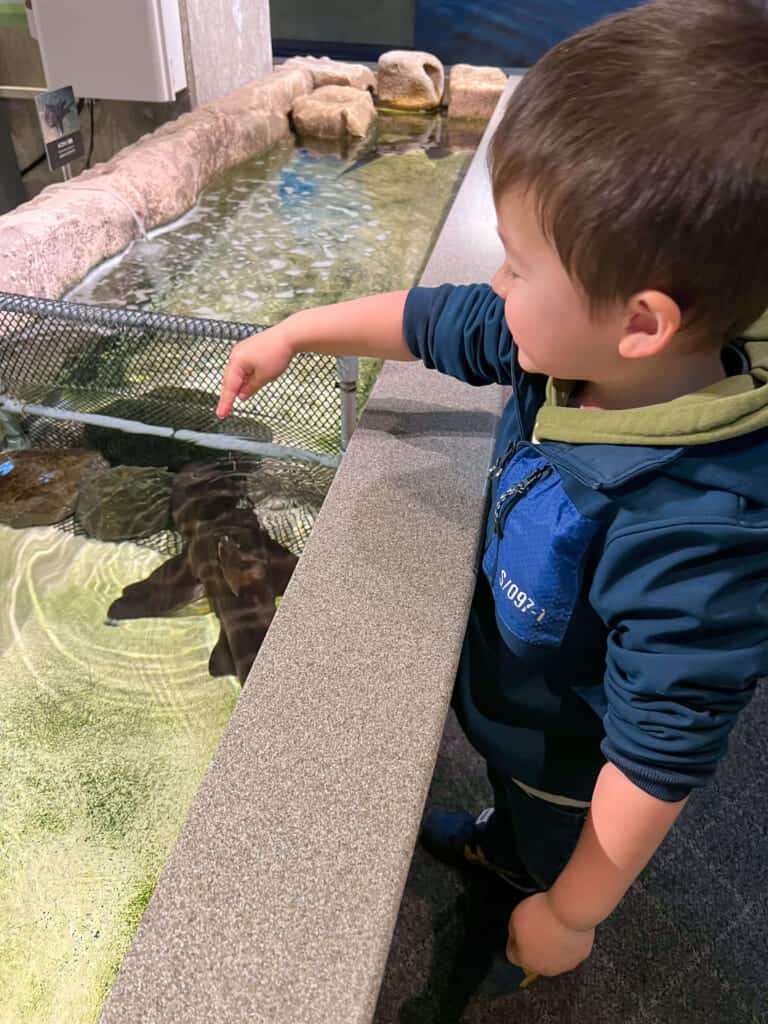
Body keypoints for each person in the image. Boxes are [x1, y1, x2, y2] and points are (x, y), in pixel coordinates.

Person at [217, 0, 768, 983]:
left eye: (519, 264)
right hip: (516, 700)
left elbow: (658, 756)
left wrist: (573, 911)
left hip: (569, 760)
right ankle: (506, 836)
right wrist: (297, 330)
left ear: (641, 322)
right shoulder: (569, 349)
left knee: (544, 842)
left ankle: (525, 870)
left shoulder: (696, 532)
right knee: (513, 804)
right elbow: (437, 318)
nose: (497, 283)